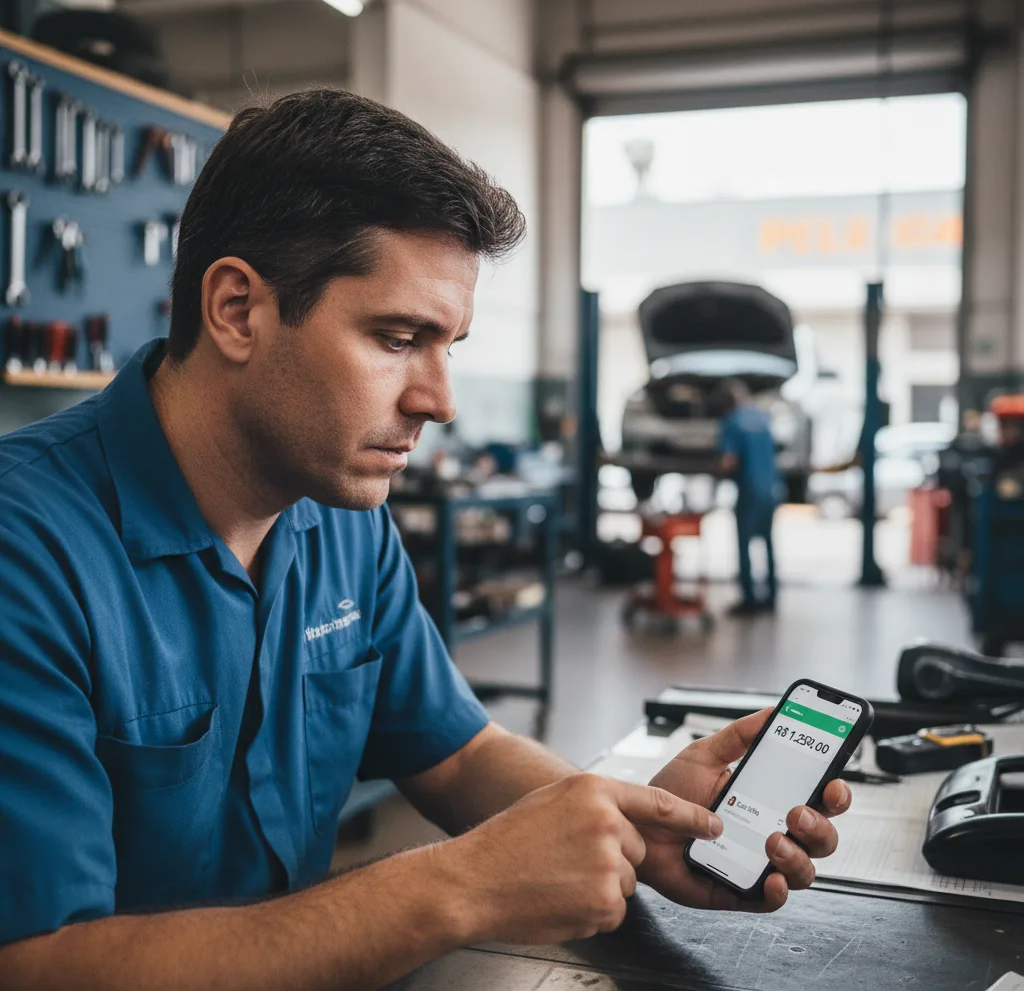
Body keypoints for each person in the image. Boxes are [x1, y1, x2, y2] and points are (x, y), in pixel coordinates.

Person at [0, 90, 850, 990]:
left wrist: (636, 824)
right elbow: (40, 966)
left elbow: (457, 753)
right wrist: (458, 886)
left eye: (450, 346)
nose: (439, 400)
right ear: (238, 310)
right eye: (399, 338)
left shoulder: (340, 518)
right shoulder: (29, 552)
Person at [718, 378, 780, 615]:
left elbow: (728, 461)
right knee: (768, 543)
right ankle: (772, 596)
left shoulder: (732, 422)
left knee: (744, 545)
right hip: (772, 488)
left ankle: (750, 600)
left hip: (749, 490)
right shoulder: (762, 418)